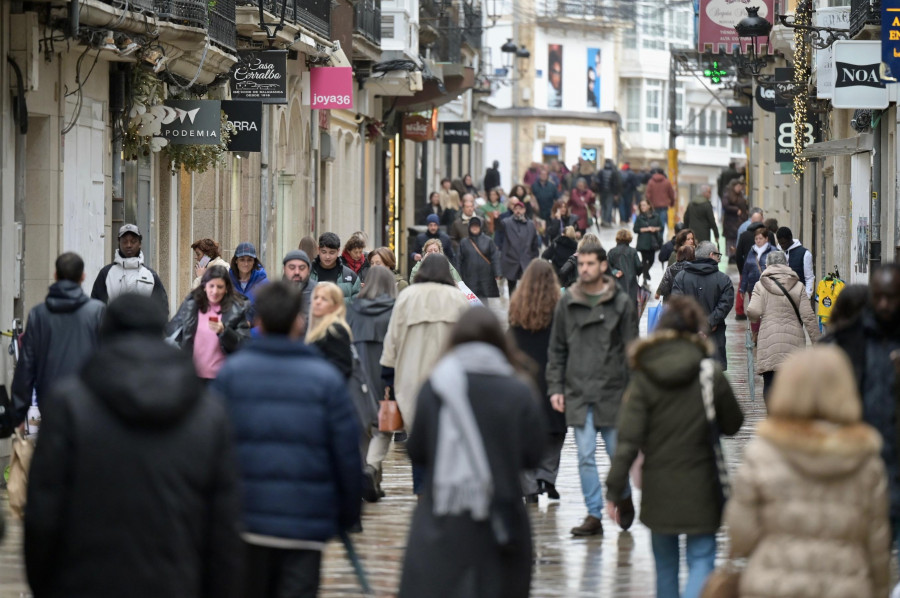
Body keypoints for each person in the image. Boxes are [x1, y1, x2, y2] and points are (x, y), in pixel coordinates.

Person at [25, 294, 241, 598]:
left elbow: (43, 513)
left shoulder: (68, 405)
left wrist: (46, 585)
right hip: (177, 582)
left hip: (86, 582)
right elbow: (225, 527)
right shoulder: (208, 413)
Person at [212, 282, 362, 598]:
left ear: (258, 323)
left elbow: (208, 449)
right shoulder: (325, 380)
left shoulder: (231, 376)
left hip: (245, 523)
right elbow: (347, 455)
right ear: (299, 320)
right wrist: (346, 515)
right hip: (304, 528)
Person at [398, 308, 544, 598]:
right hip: (502, 521)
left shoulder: (436, 386)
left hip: (443, 517)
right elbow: (534, 455)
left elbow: (417, 451)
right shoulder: (519, 389)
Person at [724, 346, 889, 598]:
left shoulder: (762, 454)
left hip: (773, 585)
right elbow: (877, 546)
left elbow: (741, 536)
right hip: (846, 587)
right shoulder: (866, 462)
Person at [607, 296, 743, 598]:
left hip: (659, 488)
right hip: (703, 486)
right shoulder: (709, 373)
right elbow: (734, 423)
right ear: (697, 331)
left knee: (666, 566)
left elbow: (628, 439)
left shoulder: (644, 376)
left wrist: (615, 492)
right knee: (702, 559)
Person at [547, 242, 638, 536]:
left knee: (616, 455)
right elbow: (557, 348)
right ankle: (593, 514)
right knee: (585, 454)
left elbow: (631, 350)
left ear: (602, 266)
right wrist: (556, 387)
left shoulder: (620, 302)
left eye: (589, 264)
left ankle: (623, 496)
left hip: (613, 391)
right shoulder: (567, 302)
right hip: (578, 388)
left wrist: (633, 389)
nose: (583, 268)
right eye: (580, 264)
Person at [824, 265, 900, 566]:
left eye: (891, 298)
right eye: (878, 297)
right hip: (858, 480)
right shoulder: (844, 343)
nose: (884, 305)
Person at [375, 255, 470, 495]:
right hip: (449, 383)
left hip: (411, 382)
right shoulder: (458, 299)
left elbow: (392, 340)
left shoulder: (407, 297)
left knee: (419, 439)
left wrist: (388, 376)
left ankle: (422, 491)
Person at [11, 252, 105, 425]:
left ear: (55, 275)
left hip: (50, 401)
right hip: (90, 402)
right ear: (83, 276)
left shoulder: (38, 314)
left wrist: (17, 413)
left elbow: (26, 365)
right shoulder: (97, 311)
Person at [509, 260, 566, 503]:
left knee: (524, 433)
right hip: (554, 376)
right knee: (556, 430)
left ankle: (529, 486)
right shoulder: (560, 308)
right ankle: (547, 476)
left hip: (525, 379)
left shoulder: (516, 309)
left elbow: (509, 344)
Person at [348, 266, 398, 502]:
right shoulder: (395, 311)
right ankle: (371, 472)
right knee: (384, 427)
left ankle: (369, 479)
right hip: (385, 376)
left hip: (357, 374)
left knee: (363, 429)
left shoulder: (352, 310)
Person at [746, 251, 821, 401]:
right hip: (794, 342)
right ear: (787, 265)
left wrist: (754, 319)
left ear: (767, 265)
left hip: (769, 341)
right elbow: (808, 317)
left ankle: (773, 417)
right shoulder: (798, 286)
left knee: (770, 382)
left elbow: (753, 311)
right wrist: (818, 344)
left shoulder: (760, 286)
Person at [166, 266, 251, 382]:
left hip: (221, 379)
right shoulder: (191, 306)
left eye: (220, 287)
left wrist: (224, 332)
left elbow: (243, 345)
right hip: (192, 378)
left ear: (226, 289)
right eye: (211, 286)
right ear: (204, 287)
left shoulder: (235, 310)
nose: (215, 291)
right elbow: (172, 332)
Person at [672, 241, 734, 369]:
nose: (718, 258)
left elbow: (677, 304)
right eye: (718, 255)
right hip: (714, 339)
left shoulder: (681, 277)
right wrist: (709, 324)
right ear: (711, 255)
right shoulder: (723, 280)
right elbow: (725, 305)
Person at [91, 223, 168, 314]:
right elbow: (95, 308)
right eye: (124, 241)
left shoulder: (150, 276)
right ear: (119, 243)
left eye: (133, 241)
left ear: (140, 244)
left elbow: (162, 310)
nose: (129, 245)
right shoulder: (106, 273)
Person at [305, 282, 353, 380]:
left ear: (335, 306)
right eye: (315, 297)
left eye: (324, 299)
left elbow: (341, 369)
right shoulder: (315, 328)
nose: (318, 302)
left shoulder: (336, 330)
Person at [499, 198, 540, 296]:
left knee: (527, 288)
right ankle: (513, 308)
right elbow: (498, 228)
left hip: (526, 260)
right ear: (513, 210)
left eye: (520, 208)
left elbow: (534, 243)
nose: (518, 211)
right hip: (511, 260)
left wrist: (534, 258)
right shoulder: (506, 222)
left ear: (524, 210)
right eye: (515, 208)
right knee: (512, 288)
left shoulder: (530, 224)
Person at [458, 216, 501, 304]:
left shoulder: (488, 241)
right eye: (472, 226)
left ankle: (484, 317)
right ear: (469, 227)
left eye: (477, 226)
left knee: (484, 302)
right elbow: (458, 260)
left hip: (485, 277)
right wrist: (458, 277)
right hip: (469, 277)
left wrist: (498, 272)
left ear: (480, 227)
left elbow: (494, 257)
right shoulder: (464, 242)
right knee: (469, 301)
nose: (474, 228)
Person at [311, 232, 361, 304]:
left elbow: (357, 306)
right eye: (324, 252)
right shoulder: (308, 274)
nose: (327, 257)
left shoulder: (351, 277)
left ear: (338, 251)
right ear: (318, 250)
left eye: (331, 253)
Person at [739, 227, 775, 309]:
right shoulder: (752, 251)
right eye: (756, 238)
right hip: (753, 287)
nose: (758, 240)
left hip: (768, 288)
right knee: (754, 312)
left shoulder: (773, 251)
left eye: (760, 238)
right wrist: (742, 288)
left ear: (766, 239)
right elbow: (745, 270)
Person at [776, 226, 815, 298]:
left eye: (784, 243)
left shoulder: (805, 254)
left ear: (790, 238)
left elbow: (809, 278)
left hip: (799, 297)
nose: (782, 246)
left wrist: (807, 296)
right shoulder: (776, 252)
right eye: (780, 243)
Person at [608, 228, 643, 304]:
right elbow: (639, 266)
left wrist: (615, 272)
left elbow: (607, 267)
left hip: (617, 284)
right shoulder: (633, 251)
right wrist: (637, 273)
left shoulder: (612, 252)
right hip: (632, 284)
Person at [634, 199, 664, 284]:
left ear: (649, 206)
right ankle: (645, 277)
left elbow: (661, 227)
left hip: (653, 242)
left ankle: (645, 272)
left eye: (644, 205)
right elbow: (635, 229)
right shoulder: (639, 217)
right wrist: (646, 229)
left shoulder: (656, 216)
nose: (642, 207)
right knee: (644, 260)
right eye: (641, 205)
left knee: (651, 260)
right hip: (643, 242)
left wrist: (655, 229)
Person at [282, 249, 317, 315]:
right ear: (284, 269)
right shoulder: (275, 294)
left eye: (302, 268)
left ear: (308, 270)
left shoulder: (318, 292)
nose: (297, 272)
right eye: (292, 267)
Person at [722, 179, 748, 260]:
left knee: (737, 239)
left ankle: (736, 255)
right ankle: (731, 256)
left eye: (740, 186)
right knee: (731, 240)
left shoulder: (740, 195)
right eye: (738, 186)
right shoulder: (727, 195)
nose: (739, 188)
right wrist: (736, 210)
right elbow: (725, 206)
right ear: (733, 187)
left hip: (739, 221)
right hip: (730, 222)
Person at [645, 169, 675, 237]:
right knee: (661, 223)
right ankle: (660, 238)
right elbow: (671, 194)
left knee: (653, 222)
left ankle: (654, 238)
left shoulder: (651, 182)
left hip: (653, 206)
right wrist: (672, 203)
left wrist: (648, 204)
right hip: (664, 206)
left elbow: (648, 195)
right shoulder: (667, 182)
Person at [594, 159, 623, 227]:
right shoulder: (614, 172)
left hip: (602, 192)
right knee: (609, 206)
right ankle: (607, 221)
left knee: (603, 206)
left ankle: (603, 220)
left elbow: (597, 181)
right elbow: (617, 183)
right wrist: (616, 193)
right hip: (610, 192)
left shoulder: (601, 171)